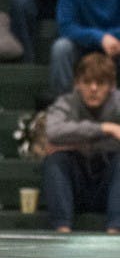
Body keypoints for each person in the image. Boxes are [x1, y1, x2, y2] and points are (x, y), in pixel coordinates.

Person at [43, 52, 120, 234]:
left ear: (111, 86)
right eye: (87, 83)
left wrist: (77, 142)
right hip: (76, 184)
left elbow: (59, 137)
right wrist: (105, 129)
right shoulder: (67, 102)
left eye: (100, 83)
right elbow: (53, 131)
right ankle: (62, 228)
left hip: (109, 184)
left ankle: (115, 228)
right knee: (56, 159)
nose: (93, 89)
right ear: (77, 83)